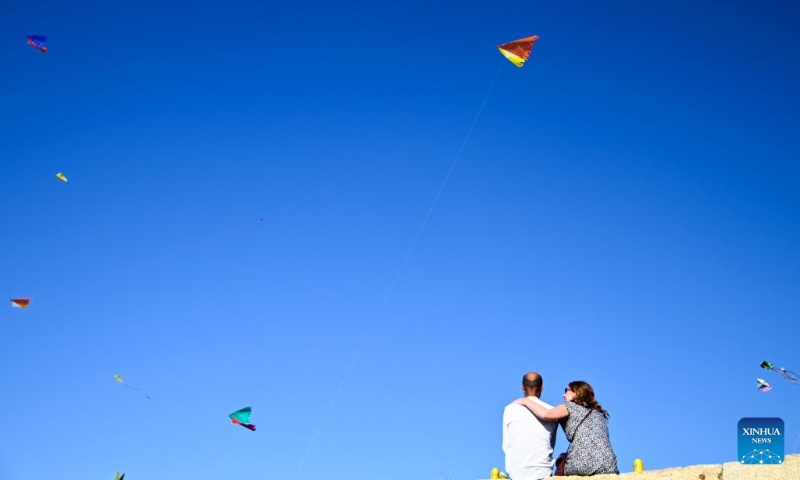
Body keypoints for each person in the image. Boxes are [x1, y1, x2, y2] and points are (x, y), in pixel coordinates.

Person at [515, 381, 618, 476]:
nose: (563, 395)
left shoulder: (570, 406)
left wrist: (525, 401)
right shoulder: (598, 414)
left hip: (583, 464)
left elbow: (546, 414)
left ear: (576, 393)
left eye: (566, 390)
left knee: (560, 461)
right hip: (609, 465)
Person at [503, 372, 557, 480]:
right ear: (542, 388)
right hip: (543, 473)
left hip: (516, 474)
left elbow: (506, 443)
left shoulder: (510, 409)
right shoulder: (552, 411)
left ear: (522, 387)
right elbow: (551, 443)